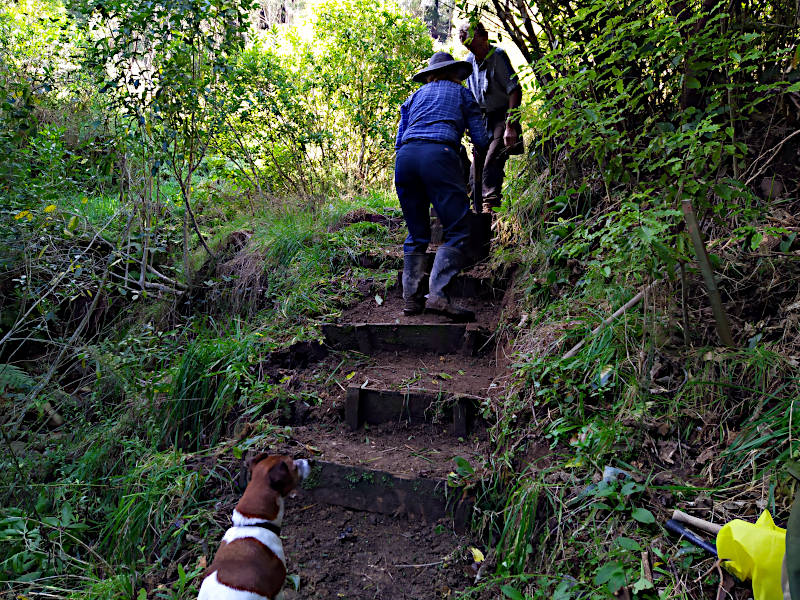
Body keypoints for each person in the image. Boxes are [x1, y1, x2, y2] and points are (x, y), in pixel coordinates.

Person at [395, 51, 490, 321]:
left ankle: (411, 300)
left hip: (405, 160)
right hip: (439, 156)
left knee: (416, 232)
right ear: (454, 73)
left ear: (429, 75)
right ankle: (438, 296)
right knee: (459, 230)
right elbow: (481, 139)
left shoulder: (413, 98)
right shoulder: (461, 94)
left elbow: (399, 139)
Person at [458, 21, 523, 213]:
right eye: (468, 46)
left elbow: (514, 91)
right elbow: (470, 96)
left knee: (492, 161)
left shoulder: (498, 56)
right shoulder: (469, 62)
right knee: (474, 170)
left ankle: (491, 208)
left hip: (502, 116)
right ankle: (476, 210)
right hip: (481, 119)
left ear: (485, 38)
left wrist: (510, 126)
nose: (473, 49)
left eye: (475, 44)